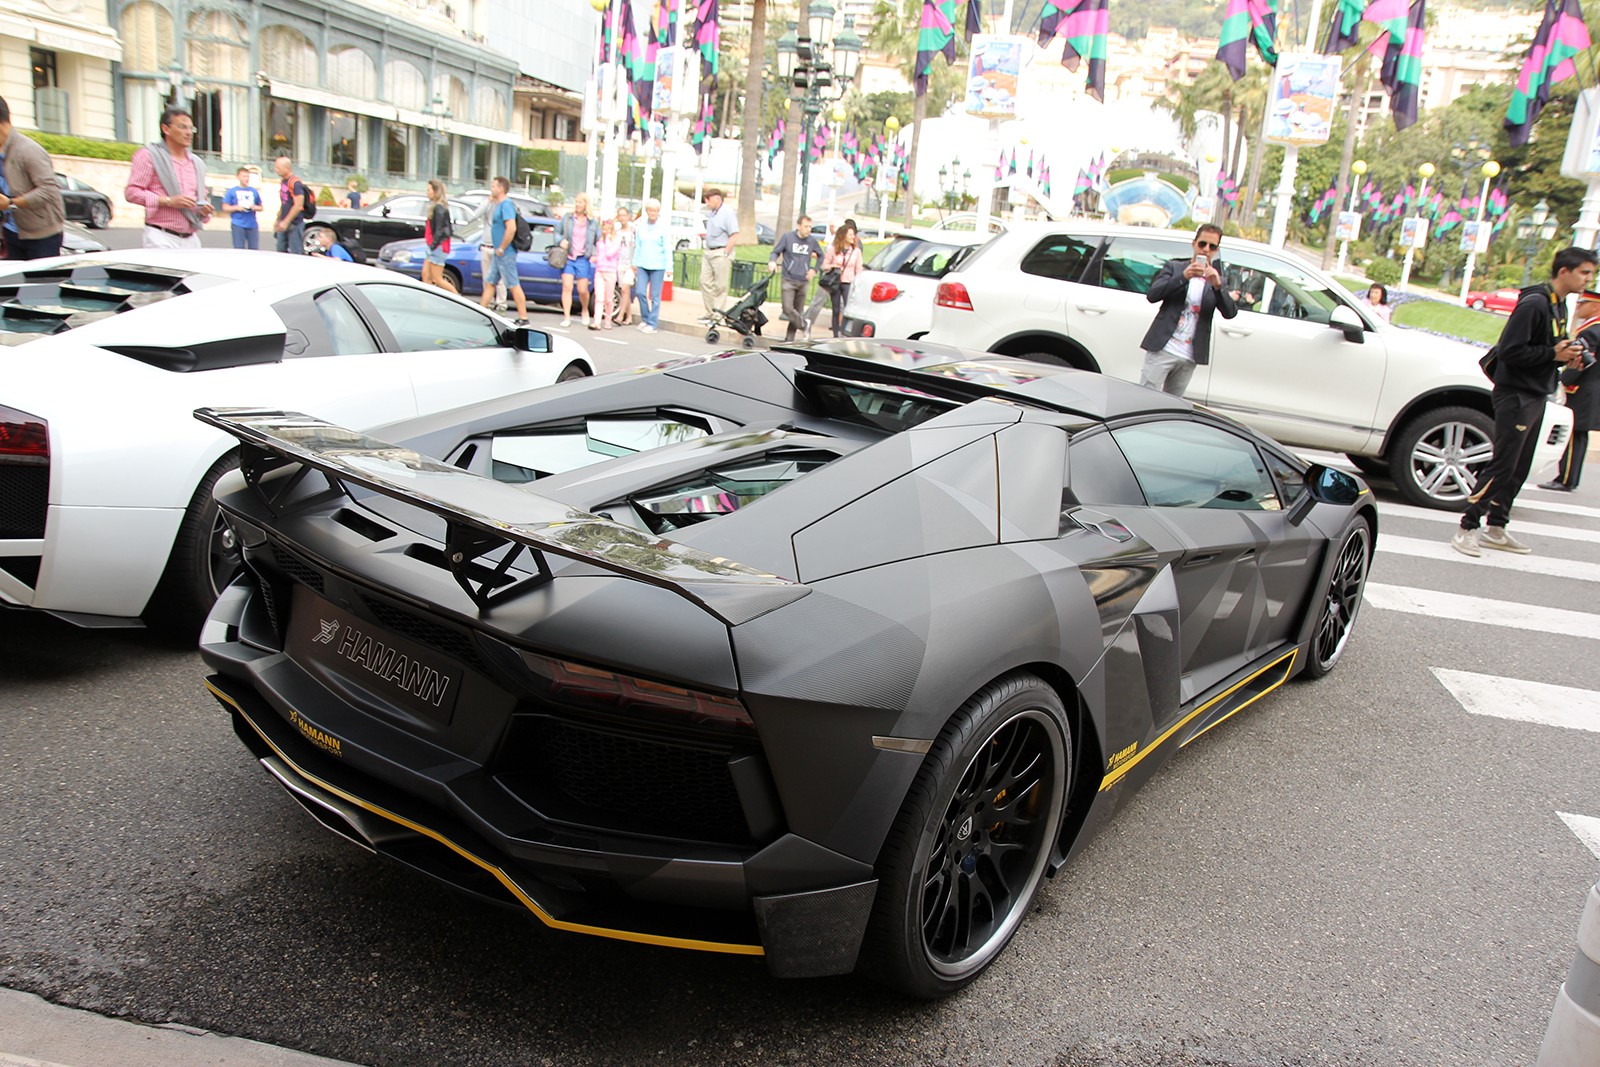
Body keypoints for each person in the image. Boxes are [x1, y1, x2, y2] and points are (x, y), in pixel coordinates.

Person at [1452, 246, 1596, 557]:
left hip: (1535, 393)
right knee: (1503, 464)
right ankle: (1467, 527)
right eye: (1584, 272)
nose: (1589, 279)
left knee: (1519, 465)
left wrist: (1563, 358)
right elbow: (1511, 351)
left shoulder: (1558, 305)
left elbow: (1543, 351)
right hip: (1516, 394)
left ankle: (1497, 526)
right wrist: (1553, 354)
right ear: (1563, 272)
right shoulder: (1535, 304)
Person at [1137, 223, 1239, 396]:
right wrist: (1184, 276)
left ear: (1216, 250)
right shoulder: (1175, 268)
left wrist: (1218, 287)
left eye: (1212, 246)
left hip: (1189, 355)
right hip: (1164, 347)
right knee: (1146, 398)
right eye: (1202, 244)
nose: (1206, 250)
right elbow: (1152, 295)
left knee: (1173, 406)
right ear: (1194, 244)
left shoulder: (1216, 279)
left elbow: (1230, 312)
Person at [1539, 287, 1600, 493]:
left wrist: (1562, 380)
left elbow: (1582, 361)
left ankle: (1566, 479)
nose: (1579, 307)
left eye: (1583, 303)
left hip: (1583, 389)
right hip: (1592, 389)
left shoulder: (1592, 329)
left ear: (1595, 306)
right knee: (1579, 435)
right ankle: (1569, 477)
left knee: (1575, 434)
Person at [125, 106, 211, 250]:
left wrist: (204, 211)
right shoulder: (148, 156)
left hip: (191, 239)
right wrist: (169, 201)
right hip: (161, 236)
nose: (188, 133)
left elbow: (201, 197)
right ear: (166, 129)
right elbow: (132, 193)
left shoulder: (197, 163)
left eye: (191, 128)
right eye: (182, 127)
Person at [0, 96, 64, 260]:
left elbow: (49, 191)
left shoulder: (28, 150)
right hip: (11, 231)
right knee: (15, 285)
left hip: (42, 235)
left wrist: (11, 203)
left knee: (43, 284)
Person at [480, 176, 528, 324]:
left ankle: (523, 317)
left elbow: (511, 228)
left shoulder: (506, 205)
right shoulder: (498, 204)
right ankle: (481, 312)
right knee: (490, 282)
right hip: (498, 253)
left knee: (513, 284)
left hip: (505, 253)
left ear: (501, 188)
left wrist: (502, 247)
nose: (491, 189)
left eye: (494, 186)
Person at [805, 218, 863, 339]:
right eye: (850, 234)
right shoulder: (834, 249)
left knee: (847, 309)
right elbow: (824, 265)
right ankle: (835, 335)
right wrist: (833, 266)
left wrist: (858, 283)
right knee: (835, 309)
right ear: (844, 236)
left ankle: (846, 333)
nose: (853, 237)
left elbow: (859, 269)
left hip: (848, 282)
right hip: (835, 281)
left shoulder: (856, 251)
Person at [770, 214, 822, 341]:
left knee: (797, 313)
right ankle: (805, 325)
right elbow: (775, 251)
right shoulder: (788, 238)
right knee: (788, 309)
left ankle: (789, 340)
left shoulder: (812, 241)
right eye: (806, 226)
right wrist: (772, 261)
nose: (808, 229)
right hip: (788, 279)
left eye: (810, 227)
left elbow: (821, 255)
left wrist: (814, 270)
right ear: (799, 226)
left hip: (803, 281)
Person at [557, 192, 597, 326]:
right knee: (567, 287)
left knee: (582, 289)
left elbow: (598, 240)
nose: (578, 204)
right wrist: (561, 241)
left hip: (583, 258)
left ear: (586, 204)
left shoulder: (592, 222)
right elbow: (557, 232)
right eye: (577, 202)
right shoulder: (568, 218)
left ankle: (585, 310)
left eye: (581, 202)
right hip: (569, 257)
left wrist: (595, 254)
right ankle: (566, 317)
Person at [701, 187, 741, 320]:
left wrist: (726, 252)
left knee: (720, 285)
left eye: (708, 200)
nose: (707, 203)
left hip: (721, 252)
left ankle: (718, 314)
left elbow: (734, 234)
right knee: (704, 282)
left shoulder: (728, 213)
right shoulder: (713, 213)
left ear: (716, 198)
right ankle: (709, 312)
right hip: (708, 252)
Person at [632, 197, 669, 334]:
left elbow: (667, 248)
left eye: (655, 211)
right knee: (640, 292)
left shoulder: (662, 227)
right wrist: (634, 263)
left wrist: (669, 267)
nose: (652, 213)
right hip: (642, 263)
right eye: (650, 210)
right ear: (647, 211)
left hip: (658, 265)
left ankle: (652, 323)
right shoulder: (641, 226)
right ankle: (645, 318)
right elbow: (638, 246)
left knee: (655, 296)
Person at [271, 155, 308, 254]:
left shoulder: (295, 183)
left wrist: (286, 222)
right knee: (280, 249)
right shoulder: (284, 182)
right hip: (283, 222)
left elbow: (298, 205)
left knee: (295, 252)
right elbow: (284, 203)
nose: (276, 170)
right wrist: (278, 220)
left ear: (286, 168)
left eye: (278, 167)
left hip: (294, 224)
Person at [421, 179, 452, 291]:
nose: (427, 192)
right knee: (426, 275)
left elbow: (440, 230)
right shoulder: (436, 207)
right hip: (434, 245)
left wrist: (433, 246)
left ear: (435, 191)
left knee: (437, 278)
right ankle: (426, 304)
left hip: (437, 246)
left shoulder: (439, 208)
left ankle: (458, 297)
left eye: (429, 190)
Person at [221, 166, 263, 250]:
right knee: (239, 249)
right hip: (238, 224)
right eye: (244, 176)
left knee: (254, 249)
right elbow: (225, 207)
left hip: (252, 224)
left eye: (247, 176)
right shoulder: (232, 191)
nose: (246, 179)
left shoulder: (253, 191)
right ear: (238, 177)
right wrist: (236, 208)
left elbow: (261, 207)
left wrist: (255, 207)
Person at [592, 218, 622, 331]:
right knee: (599, 297)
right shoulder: (600, 242)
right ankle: (597, 321)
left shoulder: (616, 241)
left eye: (608, 229)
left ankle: (608, 320)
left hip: (610, 271)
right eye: (604, 229)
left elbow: (609, 254)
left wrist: (608, 240)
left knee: (608, 299)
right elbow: (600, 255)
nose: (605, 231)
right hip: (600, 271)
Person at [613, 205, 637, 326]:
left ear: (628, 216)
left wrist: (636, 263)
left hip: (630, 265)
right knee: (624, 291)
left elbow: (637, 247)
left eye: (624, 215)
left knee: (625, 289)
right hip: (620, 263)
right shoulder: (617, 233)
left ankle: (620, 316)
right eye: (620, 215)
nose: (622, 218)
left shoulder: (633, 231)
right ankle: (629, 316)